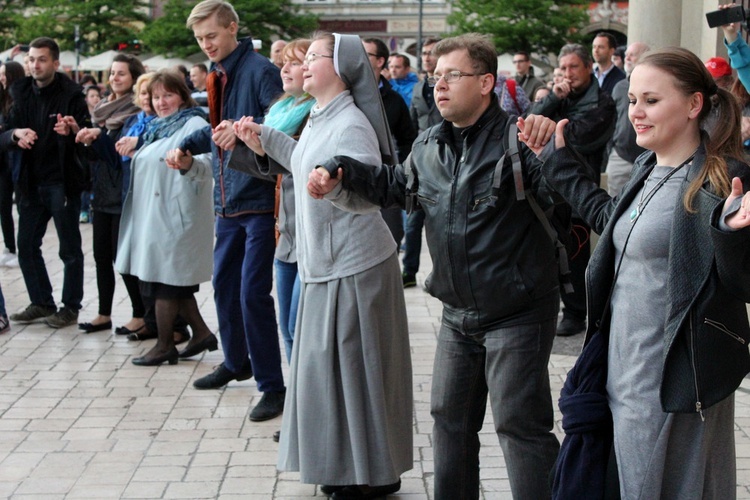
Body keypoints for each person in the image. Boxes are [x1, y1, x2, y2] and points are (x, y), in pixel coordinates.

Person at [307, 33, 561, 500]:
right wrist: (341, 169)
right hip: (457, 314)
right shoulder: (430, 143)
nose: (439, 85)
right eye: (435, 76)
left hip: (518, 312)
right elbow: (395, 187)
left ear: (486, 83)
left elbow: (568, 208)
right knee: (449, 423)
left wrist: (554, 148)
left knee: (519, 427)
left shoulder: (519, 140)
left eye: (452, 76)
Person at [520, 46, 750, 499]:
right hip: (620, 366)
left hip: (670, 375)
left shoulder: (724, 179)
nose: (636, 113)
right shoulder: (650, 168)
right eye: (632, 101)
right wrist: (559, 162)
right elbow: (612, 223)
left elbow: (738, 277)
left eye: (651, 100)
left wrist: (729, 231)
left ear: (693, 105)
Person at [234, 32, 412, 498]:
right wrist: (262, 139)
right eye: (306, 57)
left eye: (316, 57)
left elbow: (369, 195)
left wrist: (333, 187)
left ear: (344, 67)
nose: (306, 63)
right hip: (326, 265)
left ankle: (370, 474)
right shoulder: (318, 117)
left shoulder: (351, 123)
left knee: (357, 374)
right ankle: (352, 468)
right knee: (333, 375)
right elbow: (302, 161)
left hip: (355, 267)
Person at [177, 0, 286, 423]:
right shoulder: (216, 73)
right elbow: (218, 126)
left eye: (212, 36)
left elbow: (282, 122)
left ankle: (272, 385)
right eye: (200, 39)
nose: (206, 45)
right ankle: (236, 360)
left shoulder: (260, 70)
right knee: (223, 287)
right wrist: (187, 145)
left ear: (233, 29)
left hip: (258, 198)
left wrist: (242, 131)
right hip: (227, 201)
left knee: (251, 294)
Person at [116, 69, 216, 366]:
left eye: (168, 95)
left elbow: (208, 165)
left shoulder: (195, 123)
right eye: (156, 96)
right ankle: (201, 334)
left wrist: (187, 164)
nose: (161, 102)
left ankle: (164, 345)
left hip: (177, 218)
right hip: (154, 218)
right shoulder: (155, 128)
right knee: (171, 282)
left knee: (166, 283)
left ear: (182, 96)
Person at [4, 37, 90, 329]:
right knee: (26, 245)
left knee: (69, 248)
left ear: (55, 63)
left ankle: (70, 307)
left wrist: (73, 130)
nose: (35, 65)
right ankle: (41, 302)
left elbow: (86, 137)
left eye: (41, 59)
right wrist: (16, 133)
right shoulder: (20, 92)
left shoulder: (71, 95)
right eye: (31, 60)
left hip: (61, 182)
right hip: (29, 182)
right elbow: (3, 133)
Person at [531, 43, 616, 337]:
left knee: (576, 254)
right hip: (545, 187)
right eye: (563, 68)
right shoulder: (559, 97)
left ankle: (576, 311)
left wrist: (549, 126)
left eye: (573, 67)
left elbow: (575, 138)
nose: (568, 74)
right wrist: (553, 98)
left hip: (580, 188)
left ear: (587, 67)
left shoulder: (602, 102)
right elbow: (530, 124)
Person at [74, 54, 146, 335]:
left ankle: (139, 314)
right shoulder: (104, 110)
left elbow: (118, 157)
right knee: (101, 256)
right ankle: (104, 313)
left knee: (122, 257)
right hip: (102, 193)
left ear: (133, 78)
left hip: (123, 194)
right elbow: (98, 158)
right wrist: (80, 136)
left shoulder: (135, 112)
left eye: (121, 74)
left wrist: (98, 137)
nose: (114, 78)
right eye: (112, 73)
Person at [362, 37, 416, 246]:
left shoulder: (394, 100)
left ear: (380, 61)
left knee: (391, 236)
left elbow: (407, 139)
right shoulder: (345, 94)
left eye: (366, 54)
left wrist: (399, 172)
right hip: (350, 179)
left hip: (385, 180)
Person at [404, 37, 441, 288]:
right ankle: (409, 271)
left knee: (440, 223)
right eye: (424, 53)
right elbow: (412, 125)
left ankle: (441, 273)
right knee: (413, 220)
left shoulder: (451, 85)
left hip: (445, 158)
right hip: (420, 161)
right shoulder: (418, 89)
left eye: (431, 53)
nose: (426, 57)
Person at [605, 41, 650, 197]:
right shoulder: (619, 87)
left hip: (650, 158)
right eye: (626, 55)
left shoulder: (655, 86)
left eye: (632, 54)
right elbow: (611, 121)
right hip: (620, 157)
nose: (627, 58)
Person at [0, 61, 24, 268]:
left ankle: (17, 248)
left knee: (20, 206)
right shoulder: (3, 98)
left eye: (4, 74)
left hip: (16, 160)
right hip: (3, 161)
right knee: (3, 206)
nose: (1, 78)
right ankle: (9, 246)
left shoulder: (20, 99)